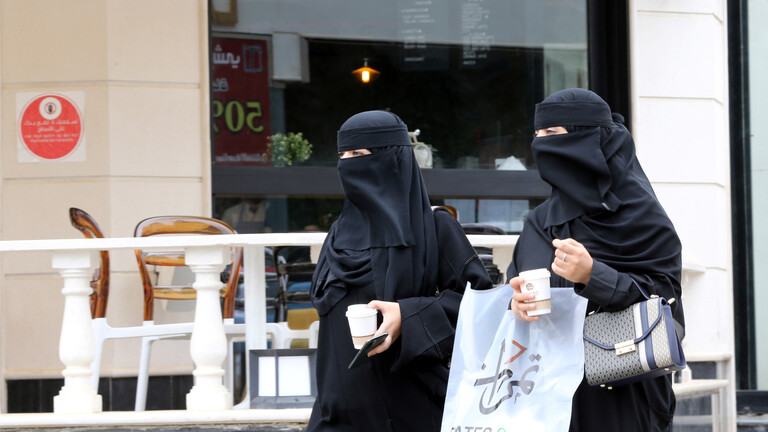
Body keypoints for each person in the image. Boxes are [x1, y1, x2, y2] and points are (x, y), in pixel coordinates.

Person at [506, 88, 685, 431]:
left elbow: (666, 303)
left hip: (623, 394)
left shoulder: (641, 217)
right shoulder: (540, 222)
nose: (540, 143)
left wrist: (593, 275)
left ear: (588, 139)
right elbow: (513, 287)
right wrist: (515, 302)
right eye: (537, 133)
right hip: (547, 393)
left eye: (552, 133)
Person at [308, 110, 493, 431]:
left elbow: (481, 305)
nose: (347, 164)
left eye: (358, 154)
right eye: (342, 155)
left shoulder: (435, 228)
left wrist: (407, 315)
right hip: (338, 413)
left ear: (392, 159)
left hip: (411, 410)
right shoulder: (338, 235)